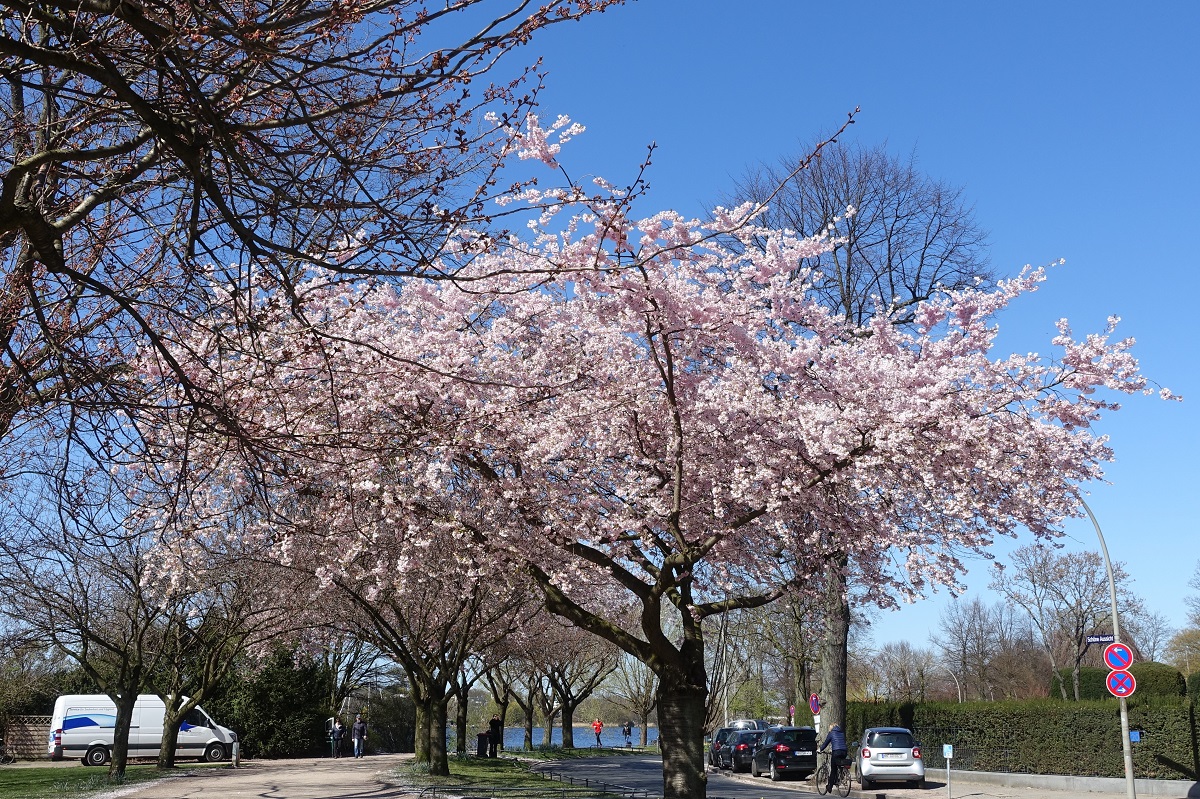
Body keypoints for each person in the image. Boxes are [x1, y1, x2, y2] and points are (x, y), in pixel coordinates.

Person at [819, 722, 848, 791]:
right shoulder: (842, 733)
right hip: (844, 751)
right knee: (839, 764)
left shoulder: (831, 733)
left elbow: (825, 743)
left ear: (831, 728)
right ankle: (840, 776)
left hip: (836, 752)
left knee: (833, 770)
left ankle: (830, 787)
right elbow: (841, 743)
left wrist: (820, 749)